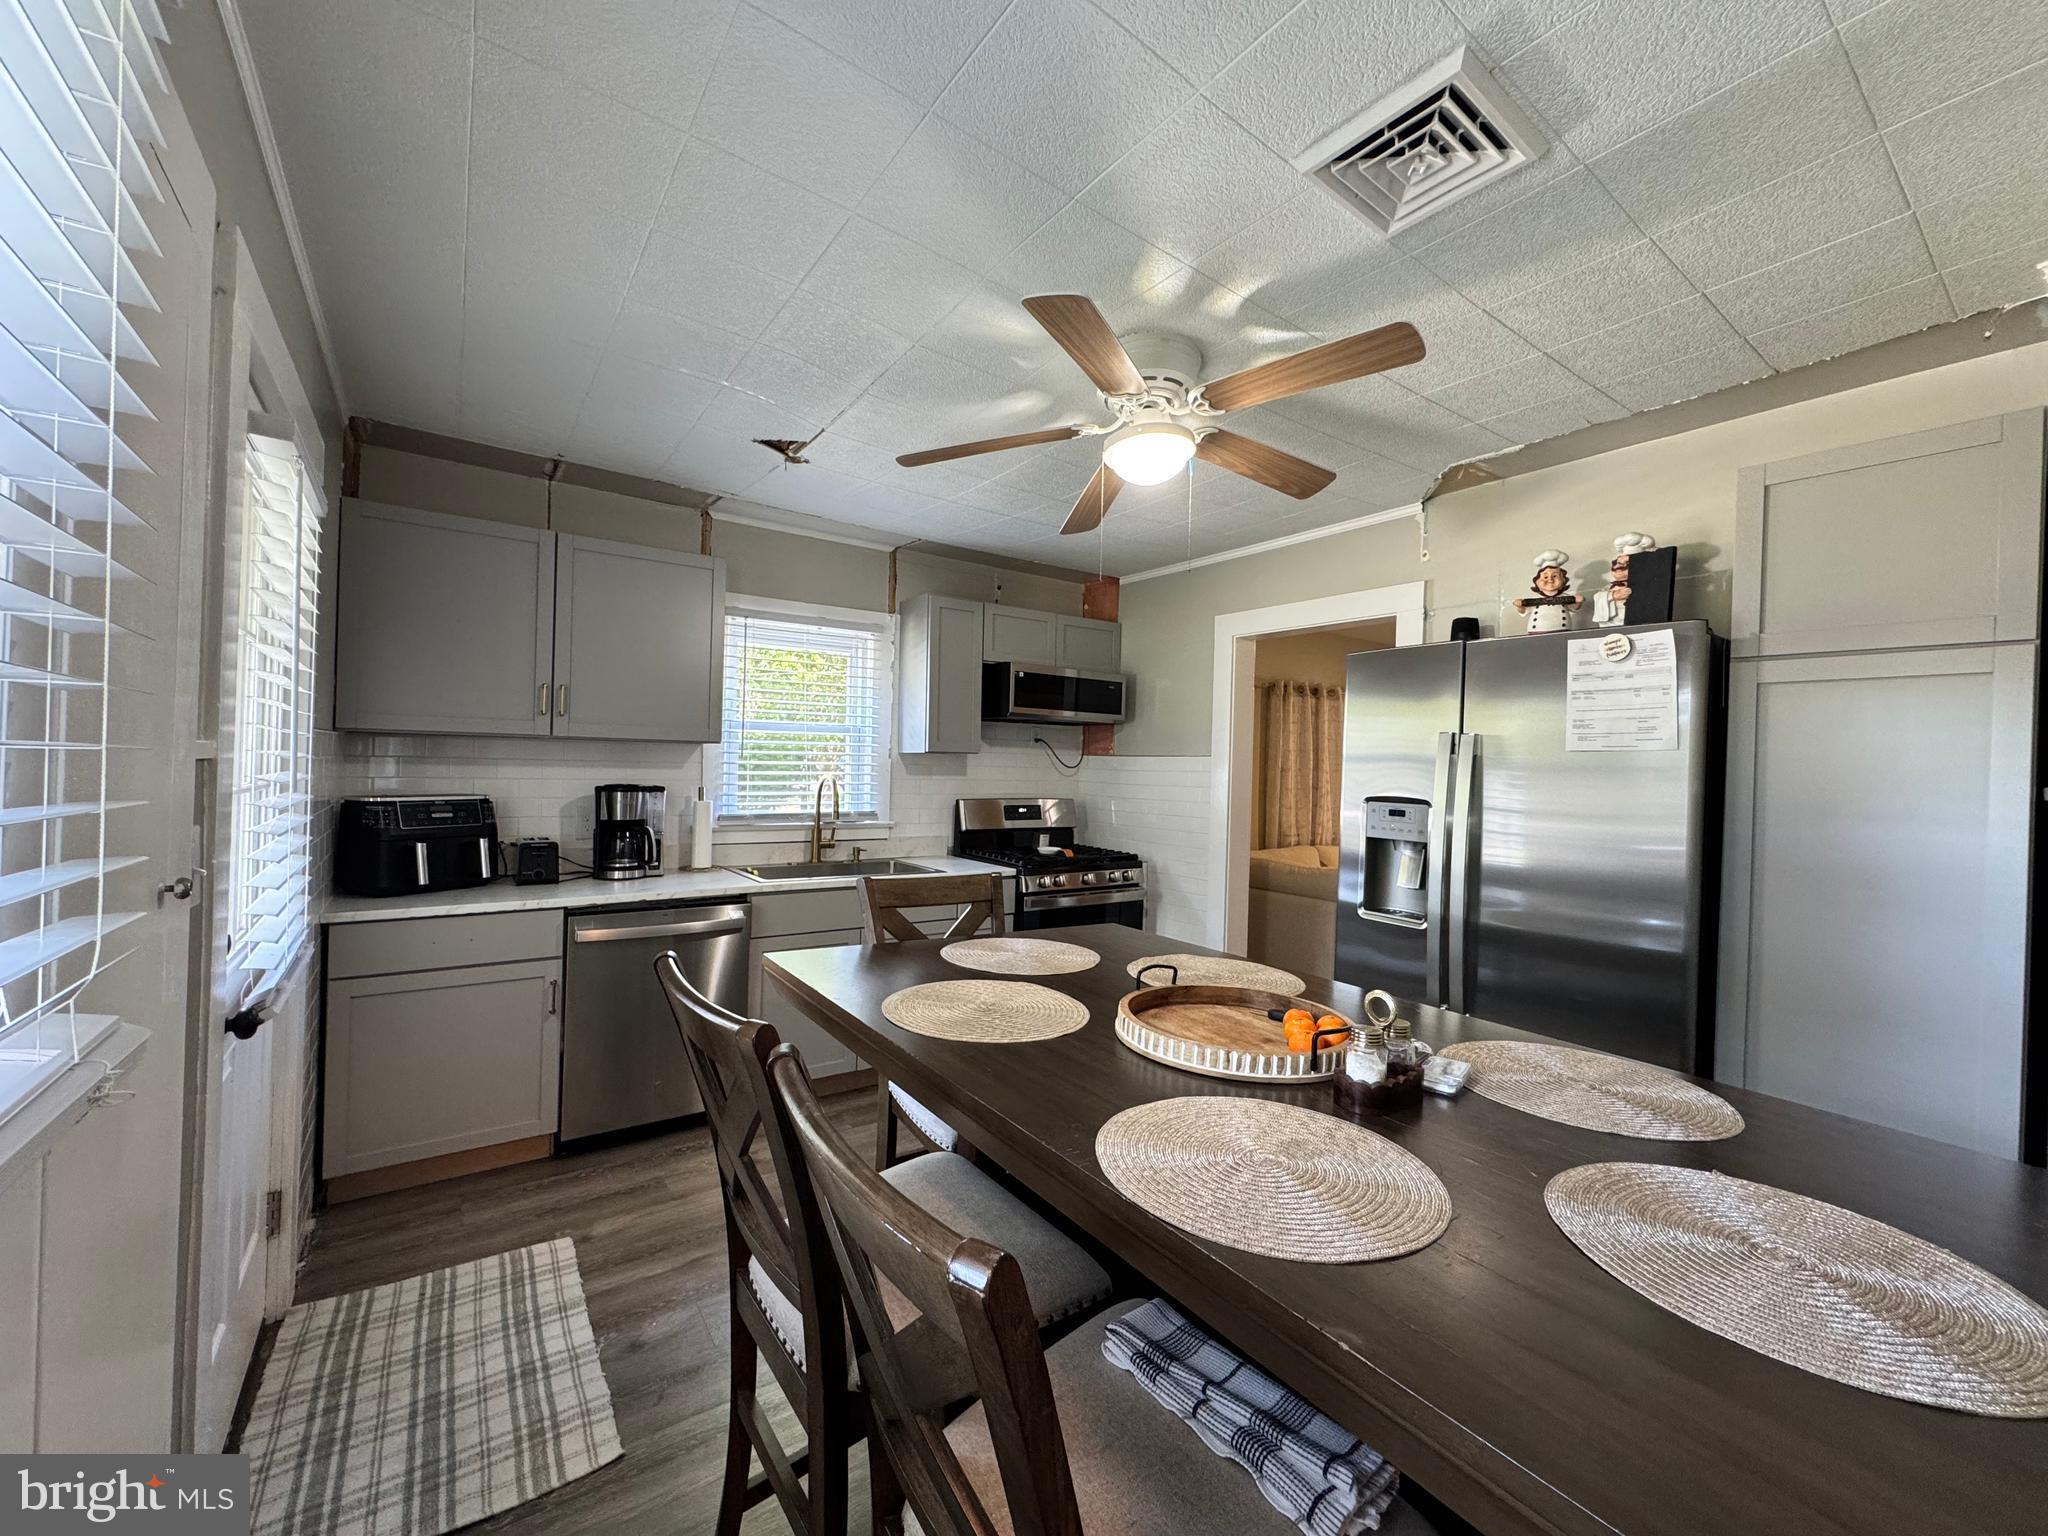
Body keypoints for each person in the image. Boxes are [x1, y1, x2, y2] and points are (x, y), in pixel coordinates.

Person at [1512, 549, 1581, 633]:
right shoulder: (1534, 599)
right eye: (1545, 577)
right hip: (1536, 631)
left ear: (1563, 580)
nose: (1550, 579)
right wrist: (1519, 606)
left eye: (1555, 576)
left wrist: (1578, 602)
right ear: (1537, 581)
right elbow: (1524, 611)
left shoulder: (1565, 597)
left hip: (1562, 630)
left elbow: (1574, 607)